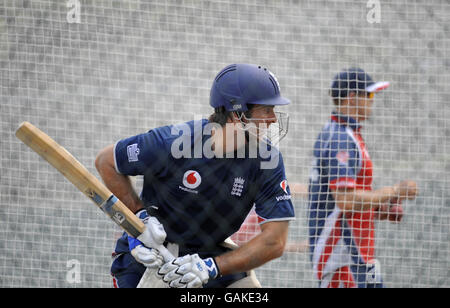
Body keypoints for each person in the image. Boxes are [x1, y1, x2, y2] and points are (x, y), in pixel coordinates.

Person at [95, 63, 295, 288]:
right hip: (147, 254)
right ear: (238, 113)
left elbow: (275, 241)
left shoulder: (267, 161)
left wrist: (212, 267)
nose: (273, 120)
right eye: (266, 110)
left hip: (207, 258)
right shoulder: (172, 142)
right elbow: (106, 162)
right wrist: (139, 218)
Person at [307, 68, 418, 288]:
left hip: (354, 253)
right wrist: (394, 192)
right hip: (342, 254)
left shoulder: (347, 134)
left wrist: (378, 207)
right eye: (369, 95)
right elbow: (345, 200)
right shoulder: (340, 137)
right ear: (351, 97)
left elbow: (339, 198)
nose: (372, 101)